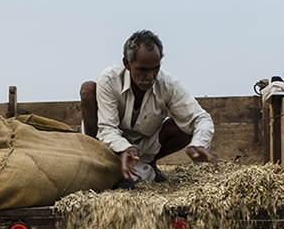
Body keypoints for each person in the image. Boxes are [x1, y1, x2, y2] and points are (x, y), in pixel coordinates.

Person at [80, 30, 217, 184]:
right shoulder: (109, 80)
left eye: (155, 68)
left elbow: (201, 118)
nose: (150, 76)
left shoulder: (167, 84)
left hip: (146, 148)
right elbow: (107, 128)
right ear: (127, 64)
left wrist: (198, 144)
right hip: (108, 145)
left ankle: (147, 164)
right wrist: (124, 148)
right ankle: (98, 163)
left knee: (185, 126)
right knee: (88, 89)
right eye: (143, 70)